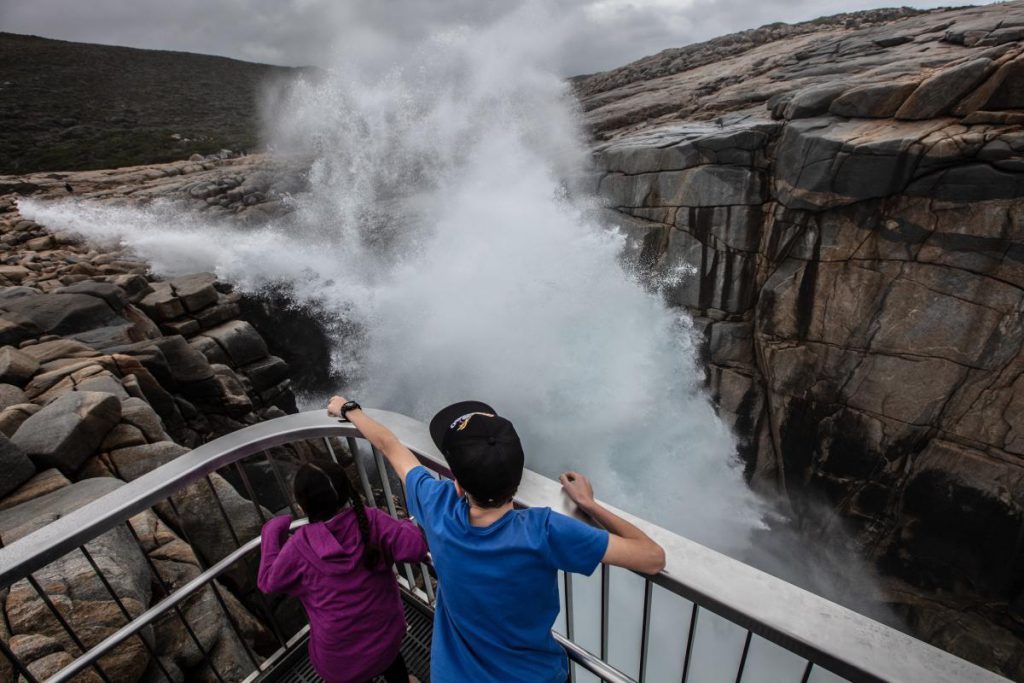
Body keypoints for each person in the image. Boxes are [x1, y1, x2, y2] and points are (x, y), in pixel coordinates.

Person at [327, 396, 666, 683]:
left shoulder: (437, 504)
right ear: (517, 478)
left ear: (457, 483)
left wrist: (349, 410)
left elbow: (389, 444)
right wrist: (591, 505)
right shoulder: (544, 532)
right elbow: (653, 558)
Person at [257, 461, 427, 683]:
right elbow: (416, 548)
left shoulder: (299, 546)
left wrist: (271, 531)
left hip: (341, 660)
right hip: (386, 638)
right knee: (391, 662)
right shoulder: (371, 520)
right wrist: (403, 525)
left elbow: (268, 582)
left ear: (302, 507)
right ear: (348, 492)